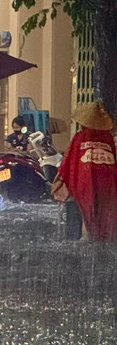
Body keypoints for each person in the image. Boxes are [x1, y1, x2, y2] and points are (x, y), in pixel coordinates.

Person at [54, 102, 117, 241]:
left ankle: (87, 238)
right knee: (105, 211)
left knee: (87, 209)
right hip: (107, 183)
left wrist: (60, 178)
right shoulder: (108, 139)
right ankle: (104, 238)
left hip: (84, 181)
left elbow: (69, 160)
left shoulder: (80, 137)